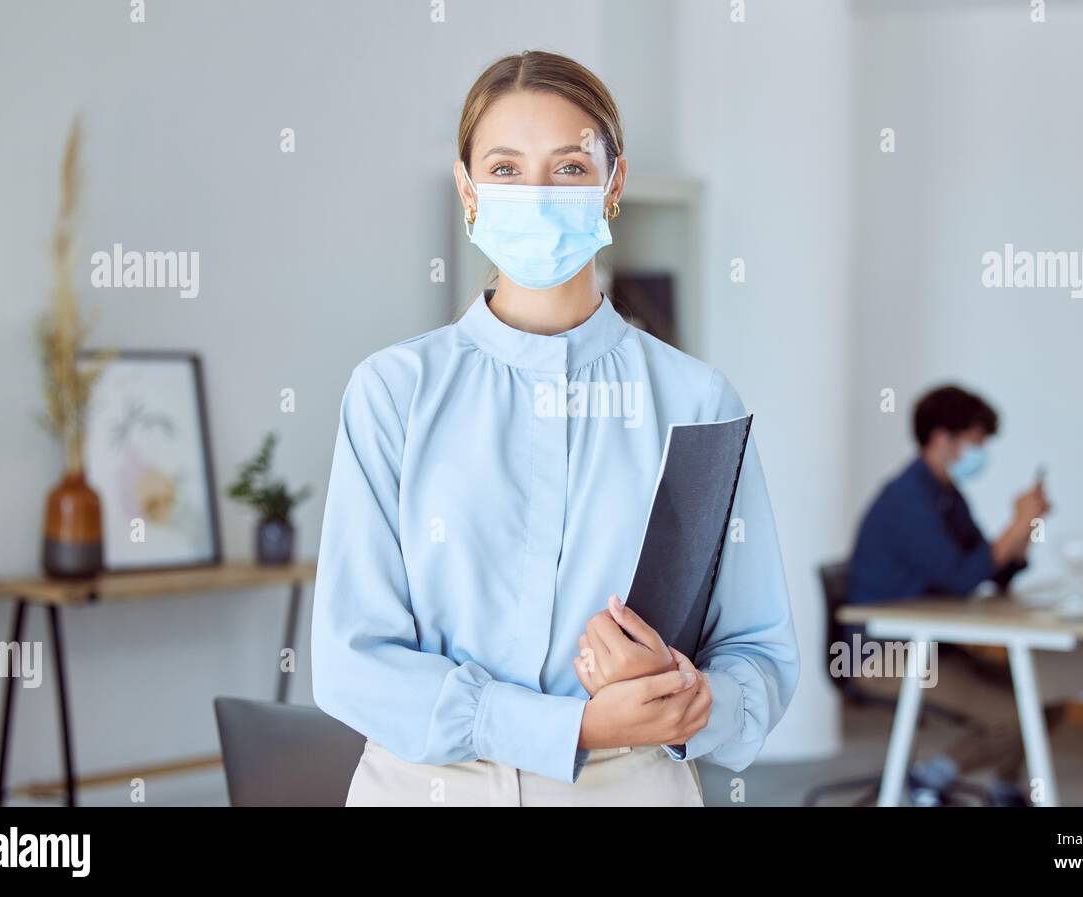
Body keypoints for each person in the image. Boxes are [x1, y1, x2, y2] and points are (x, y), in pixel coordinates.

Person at [310, 50, 799, 807]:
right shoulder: (392, 393)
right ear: (468, 191)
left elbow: (758, 650)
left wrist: (698, 700)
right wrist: (571, 727)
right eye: (505, 169)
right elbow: (354, 662)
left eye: (570, 167)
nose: (536, 193)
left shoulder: (696, 402)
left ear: (614, 185)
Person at [847, 384, 1057, 806]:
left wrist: (1025, 531)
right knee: (1021, 714)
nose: (981, 454)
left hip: (933, 647)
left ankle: (1003, 789)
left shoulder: (946, 496)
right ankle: (929, 779)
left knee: (1046, 696)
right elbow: (961, 577)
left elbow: (992, 569)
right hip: (882, 656)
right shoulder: (907, 499)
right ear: (942, 439)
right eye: (976, 443)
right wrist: (1017, 526)